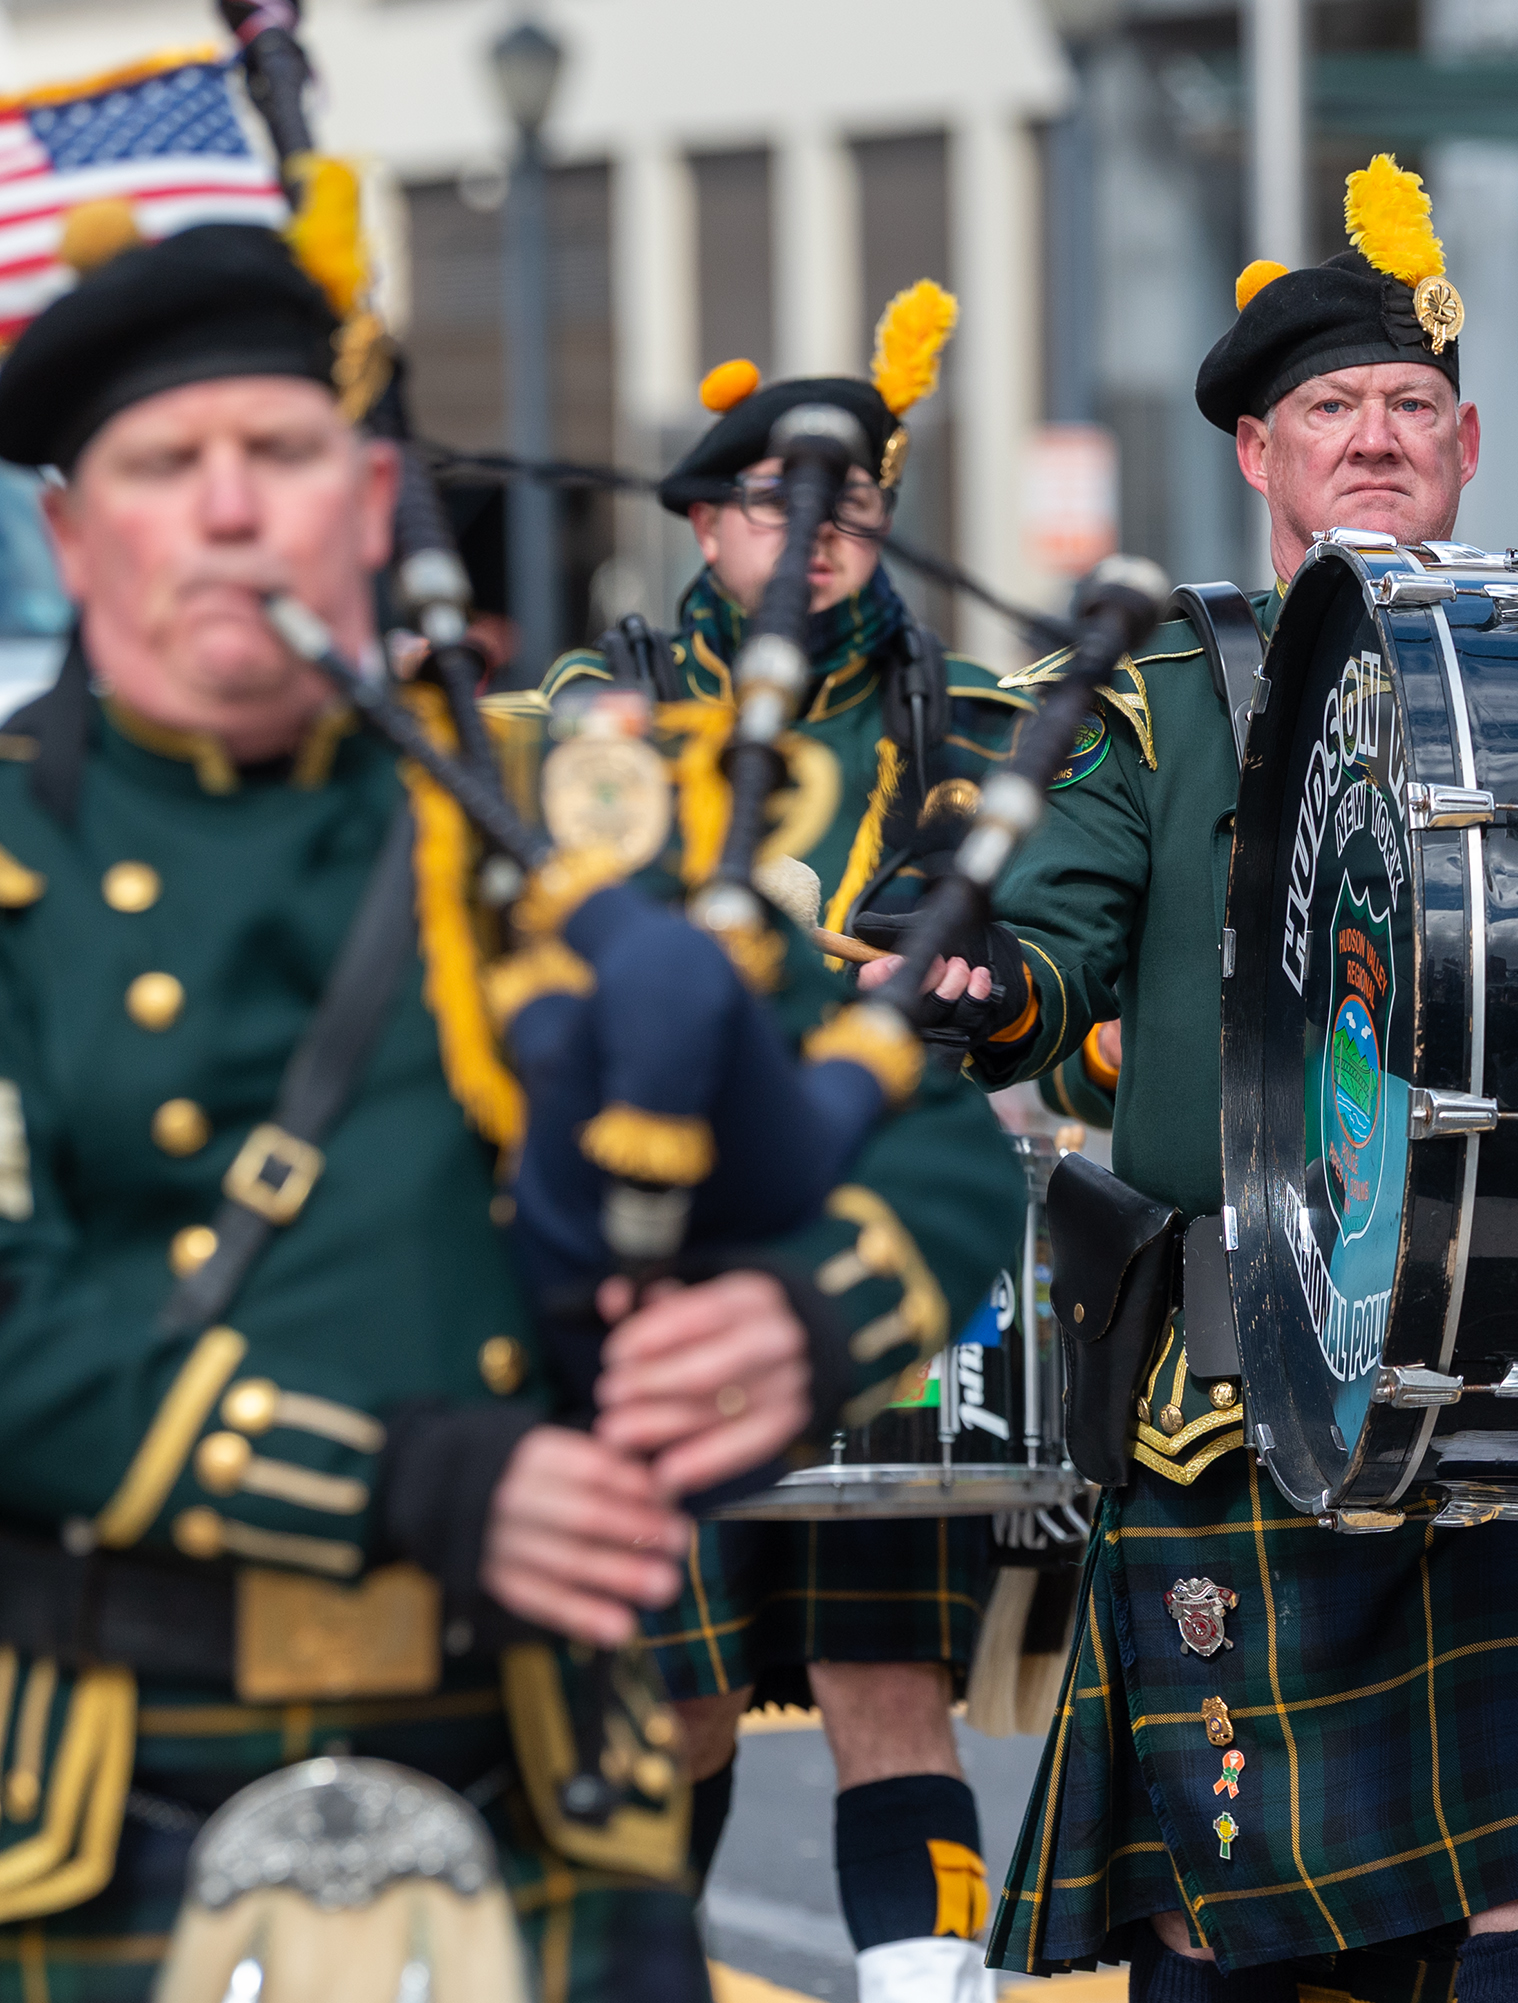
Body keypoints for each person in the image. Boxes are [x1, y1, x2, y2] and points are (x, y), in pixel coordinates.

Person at [0, 220, 1014, 1999]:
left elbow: (921, 1139)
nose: (232, 510)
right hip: (114, 1801)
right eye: (169, 466)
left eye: (282, 454)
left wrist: (798, 1314)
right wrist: (407, 1473)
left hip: (543, 1786)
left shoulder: (560, 821)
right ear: (77, 534)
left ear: (372, 494)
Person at [873, 154, 1518, 2002]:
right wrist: (995, 987)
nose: (1375, 438)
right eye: (1331, 409)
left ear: (1468, 442)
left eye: (1410, 407)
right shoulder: (1161, 694)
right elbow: (1053, 926)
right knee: (1217, 1922)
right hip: (1244, 1389)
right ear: (1258, 453)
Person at [540, 290, 1045, 2003]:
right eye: (777, 507)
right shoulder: (598, 713)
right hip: (652, 1250)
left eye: (852, 514)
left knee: (878, 1674)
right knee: (667, 1698)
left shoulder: (975, 721)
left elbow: (1048, 964)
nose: (814, 542)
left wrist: (998, 980)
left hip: (877, 1241)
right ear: (701, 518)